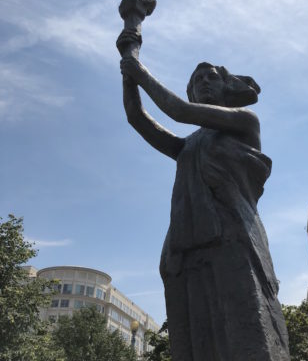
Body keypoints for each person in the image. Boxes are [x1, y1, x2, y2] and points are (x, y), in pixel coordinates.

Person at [120, 58, 290, 361]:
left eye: (210, 77)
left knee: (246, 335)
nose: (203, 83)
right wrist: (127, 74)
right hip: (185, 251)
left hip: (233, 242)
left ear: (227, 86)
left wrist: (137, 67)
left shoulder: (245, 121)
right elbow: (136, 117)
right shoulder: (186, 146)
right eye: (197, 81)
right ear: (192, 93)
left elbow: (178, 111)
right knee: (194, 344)